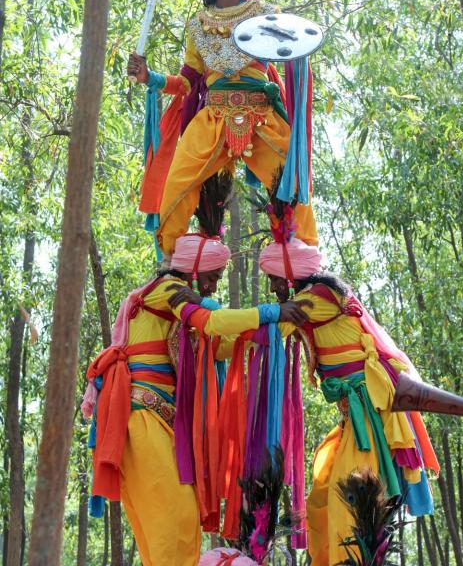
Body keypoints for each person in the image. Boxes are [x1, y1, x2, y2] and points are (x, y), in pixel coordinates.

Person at [82, 176, 308, 566]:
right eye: (213, 276)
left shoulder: (180, 299)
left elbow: (222, 342)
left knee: (176, 530)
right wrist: (273, 312)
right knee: (175, 526)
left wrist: (274, 329)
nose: (214, 283)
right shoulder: (168, 291)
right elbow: (212, 325)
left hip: (158, 422)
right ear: (196, 269)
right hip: (141, 419)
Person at [127, 0, 318, 263]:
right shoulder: (197, 24)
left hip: (261, 113)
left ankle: (307, 263)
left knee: (293, 182)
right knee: (177, 186)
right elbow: (186, 82)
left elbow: (291, 52)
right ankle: (170, 266)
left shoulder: (266, 13)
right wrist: (150, 77)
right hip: (212, 116)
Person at [258, 233, 440, 566]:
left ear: (289, 273)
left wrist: (211, 329)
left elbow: (268, 329)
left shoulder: (315, 299)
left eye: (273, 278)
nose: (272, 287)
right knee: (321, 499)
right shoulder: (317, 296)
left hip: (365, 418)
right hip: (351, 418)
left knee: (348, 509)